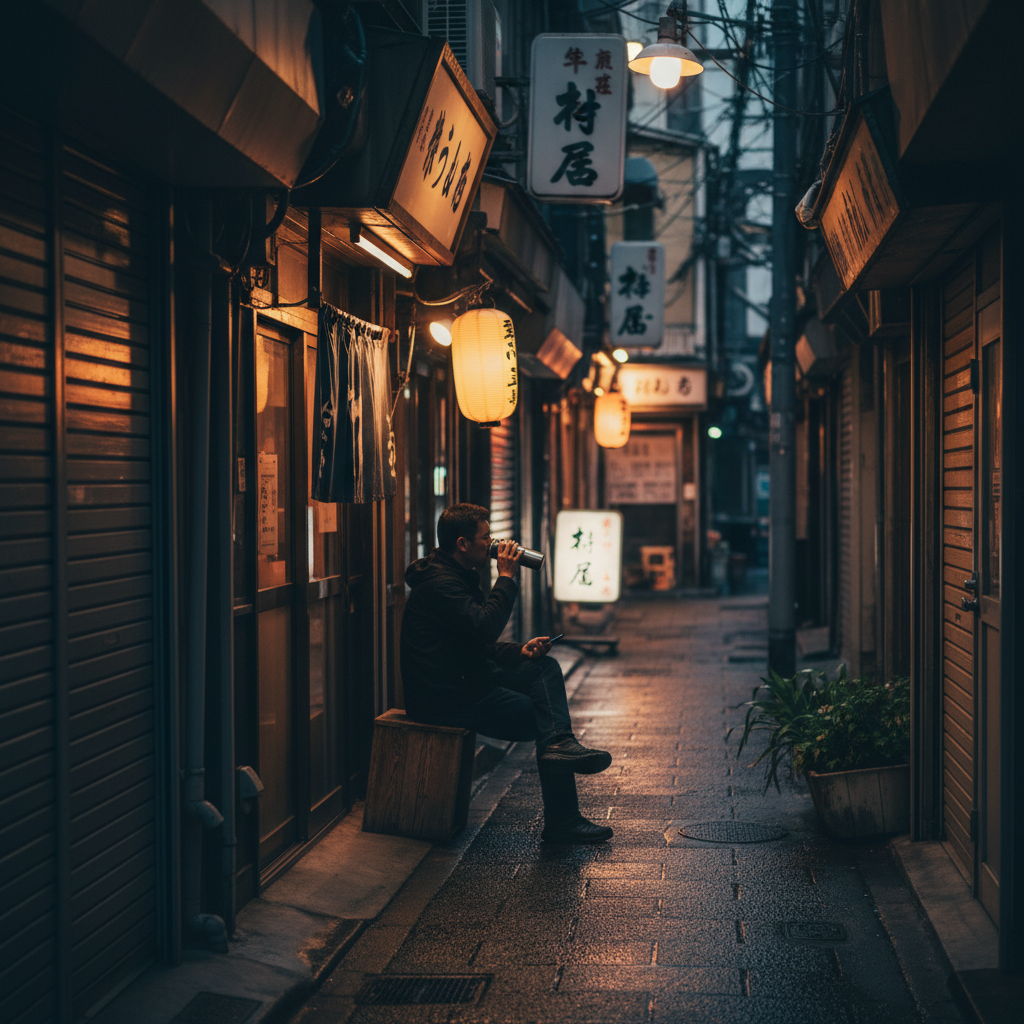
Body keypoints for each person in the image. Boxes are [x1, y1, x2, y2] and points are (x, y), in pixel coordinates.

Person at [401, 503, 614, 843]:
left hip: (466, 678)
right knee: (546, 718)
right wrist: (507, 577)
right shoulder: (441, 584)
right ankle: (563, 817)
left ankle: (560, 750)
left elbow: (475, 644)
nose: (494, 543)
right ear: (462, 543)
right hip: (447, 696)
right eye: (486, 538)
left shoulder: (456, 575)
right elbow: (484, 628)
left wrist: (520, 650)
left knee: (543, 667)